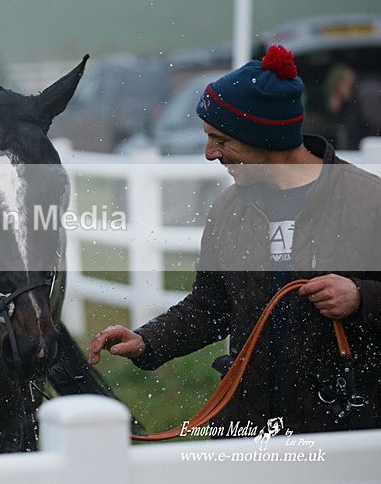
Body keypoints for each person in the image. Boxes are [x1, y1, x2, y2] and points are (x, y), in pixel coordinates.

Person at [89, 45, 381, 436]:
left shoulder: (369, 201)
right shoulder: (228, 208)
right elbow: (211, 307)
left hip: (348, 431)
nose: (210, 154)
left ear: (266, 137)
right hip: (249, 427)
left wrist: (361, 297)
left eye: (221, 140)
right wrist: (146, 341)